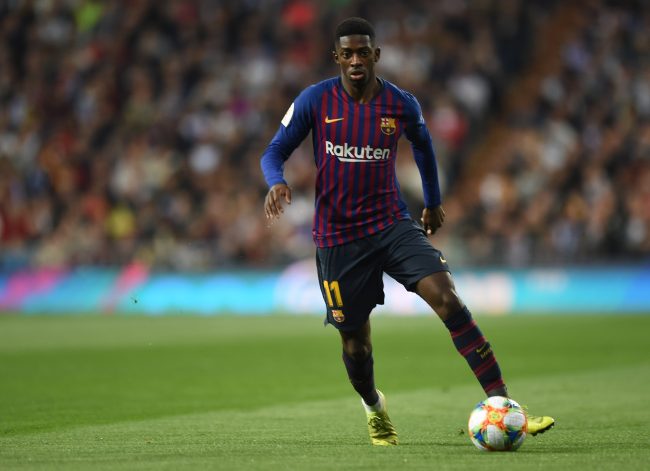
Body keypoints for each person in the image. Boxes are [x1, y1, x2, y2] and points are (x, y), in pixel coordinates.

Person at [260, 17, 554, 446]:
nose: (356, 61)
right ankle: (373, 407)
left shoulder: (400, 104)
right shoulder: (315, 100)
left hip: (391, 225)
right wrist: (276, 181)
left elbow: (424, 146)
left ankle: (505, 406)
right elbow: (274, 151)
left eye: (364, 52)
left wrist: (432, 202)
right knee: (356, 345)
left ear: (376, 55)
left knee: (448, 299)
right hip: (338, 239)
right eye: (348, 53)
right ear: (336, 57)